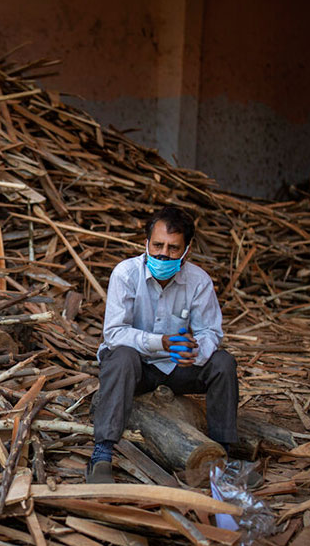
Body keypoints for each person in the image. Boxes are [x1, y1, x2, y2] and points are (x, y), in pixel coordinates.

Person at [87, 205, 240, 484]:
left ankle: (222, 455)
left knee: (223, 363)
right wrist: (161, 343)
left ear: (186, 250)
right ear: (146, 243)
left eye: (173, 248)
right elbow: (114, 333)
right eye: (157, 245)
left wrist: (196, 351)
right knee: (120, 356)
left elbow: (211, 332)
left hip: (177, 368)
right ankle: (103, 452)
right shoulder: (126, 274)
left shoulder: (198, 282)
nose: (163, 254)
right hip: (138, 369)